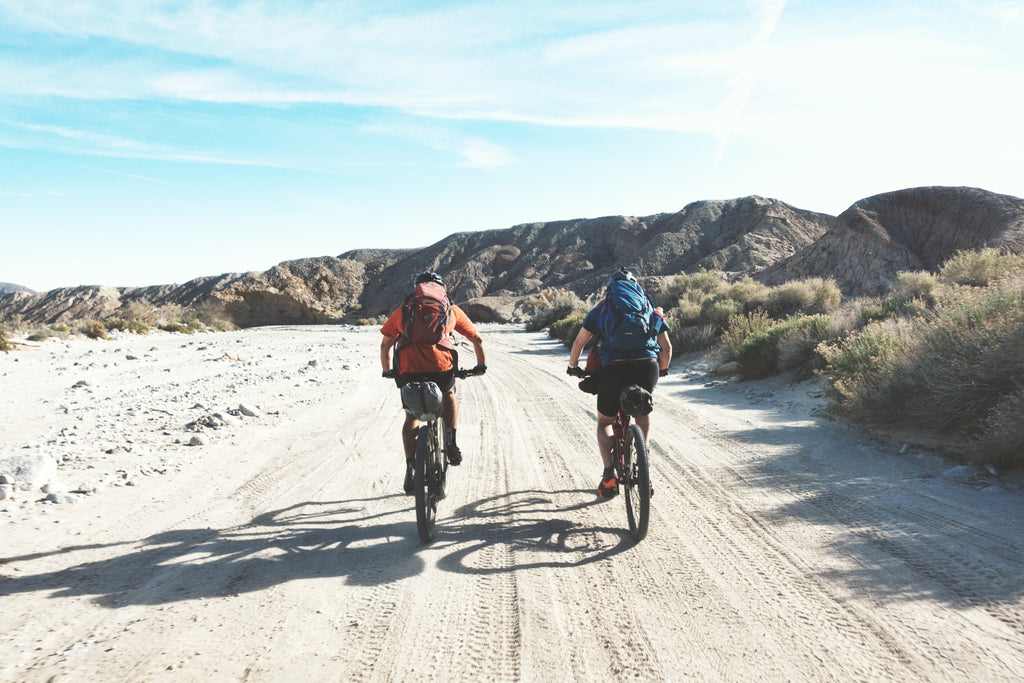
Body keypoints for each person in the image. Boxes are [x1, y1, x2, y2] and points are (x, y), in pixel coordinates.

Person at [567, 268, 671, 497]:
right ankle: (642, 460)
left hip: (614, 368)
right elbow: (667, 348)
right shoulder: (650, 310)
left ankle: (608, 475)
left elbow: (578, 343)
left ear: (611, 290)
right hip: (647, 366)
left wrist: (573, 366)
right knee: (642, 412)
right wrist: (661, 370)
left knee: (605, 420)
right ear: (637, 289)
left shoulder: (602, 310)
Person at [380, 271, 486, 494]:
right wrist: (480, 366)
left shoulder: (404, 311)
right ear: (441, 290)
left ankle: (411, 466)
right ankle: (450, 442)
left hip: (408, 367)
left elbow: (385, 345)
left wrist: (387, 370)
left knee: (411, 415)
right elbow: (476, 338)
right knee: (448, 394)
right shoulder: (449, 309)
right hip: (440, 366)